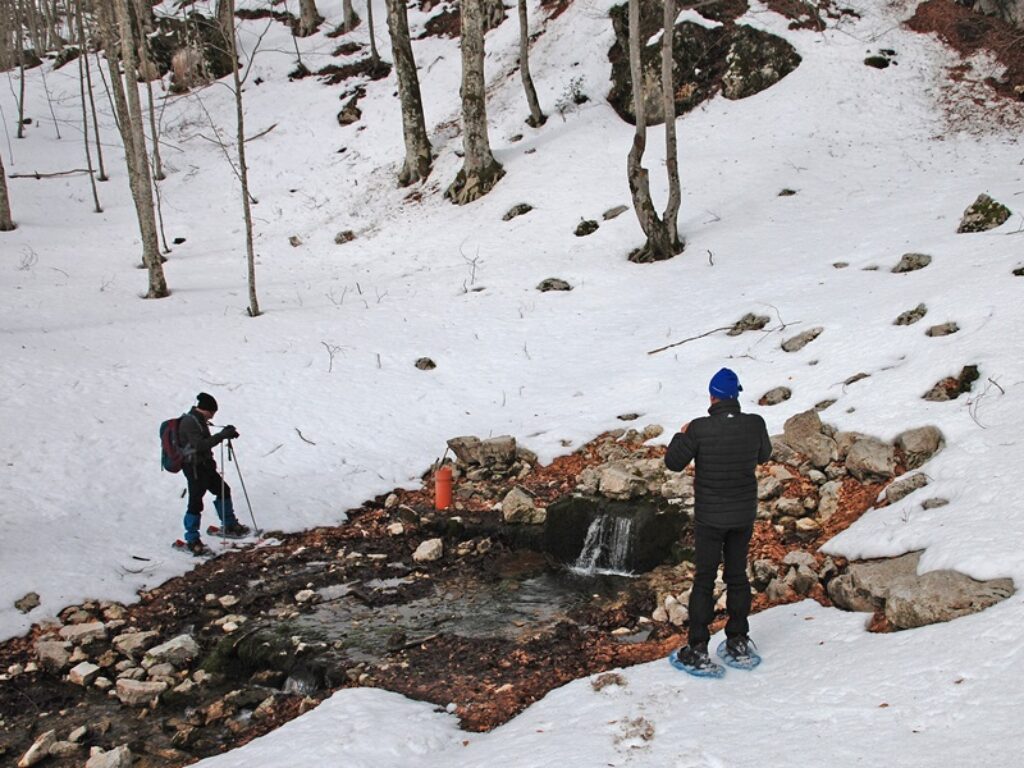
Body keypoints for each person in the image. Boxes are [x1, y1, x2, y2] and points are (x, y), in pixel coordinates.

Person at [664, 367, 772, 674]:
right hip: (742, 515)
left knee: (705, 579)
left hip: (710, 517)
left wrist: (680, 434)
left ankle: (698, 648)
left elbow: (673, 463)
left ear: (712, 396)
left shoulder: (698, 429)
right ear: (735, 395)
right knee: (737, 576)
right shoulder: (755, 424)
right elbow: (764, 455)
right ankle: (737, 640)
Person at [177, 392, 249, 554]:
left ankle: (229, 525)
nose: (213, 416)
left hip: (205, 466)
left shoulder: (199, 420)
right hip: (194, 468)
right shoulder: (190, 422)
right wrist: (221, 436)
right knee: (196, 502)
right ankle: (192, 539)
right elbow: (200, 445)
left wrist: (225, 434)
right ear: (207, 410)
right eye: (213, 412)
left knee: (223, 490)